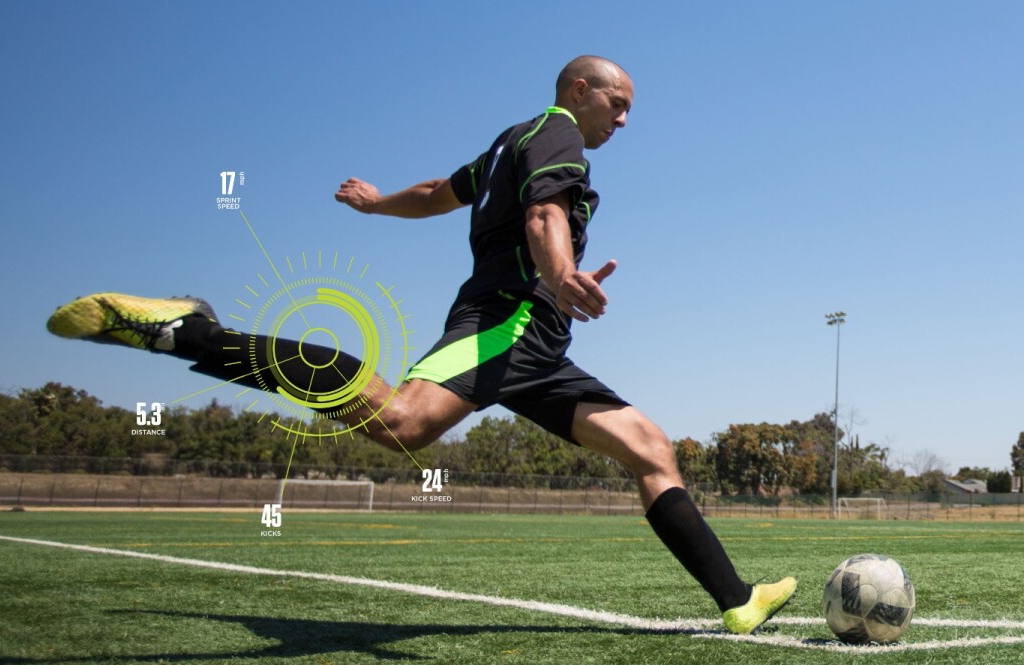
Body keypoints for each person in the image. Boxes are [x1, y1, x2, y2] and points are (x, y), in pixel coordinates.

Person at [46, 55, 795, 634]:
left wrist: (376, 206)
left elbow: (441, 191)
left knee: (651, 449)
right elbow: (544, 215)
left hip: (535, 344)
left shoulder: (512, 142)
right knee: (404, 421)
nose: (623, 121)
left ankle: (736, 600)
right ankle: (194, 331)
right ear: (580, 88)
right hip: (510, 320)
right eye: (618, 104)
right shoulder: (557, 131)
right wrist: (562, 272)